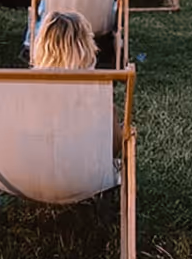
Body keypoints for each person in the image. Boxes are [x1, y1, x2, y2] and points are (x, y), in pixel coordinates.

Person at [30, 10, 123, 152]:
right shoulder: (98, 92)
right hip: (89, 171)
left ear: (42, 45)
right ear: (85, 47)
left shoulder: (25, 91)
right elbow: (115, 148)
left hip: (30, 170)